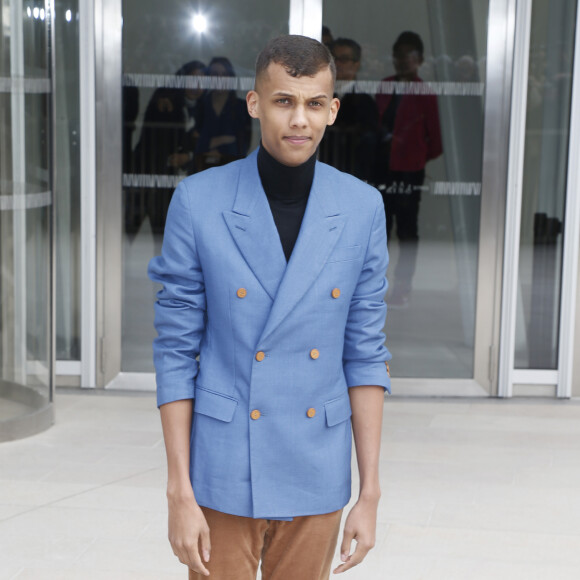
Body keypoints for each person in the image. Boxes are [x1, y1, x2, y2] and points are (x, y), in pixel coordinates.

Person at [148, 34, 391, 580]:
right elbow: (175, 353)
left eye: (312, 103)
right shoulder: (199, 200)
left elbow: (366, 353)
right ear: (255, 104)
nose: (298, 120)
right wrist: (178, 490)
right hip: (224, 463)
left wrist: (370, 490)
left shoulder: (361, 208)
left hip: (317, 462)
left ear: (332, 110)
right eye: (283, 101)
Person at [374, 31, 442, 307]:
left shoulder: (425, 92)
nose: (403, 60)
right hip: (382, 168)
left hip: (408, 170)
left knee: (406, 229)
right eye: (399, 55)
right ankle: (376, 285)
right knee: (380, 229)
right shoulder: (385, 85)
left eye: (409, 56)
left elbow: (436, 140)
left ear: (420, 60)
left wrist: (415, 159)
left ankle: (402, 285)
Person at [319, 37, 378, 181]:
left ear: (356, 64)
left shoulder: (365, 102)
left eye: (344, 59)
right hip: (320, 174)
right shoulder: (317, 98)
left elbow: (369, 148)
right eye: (334, 58)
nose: (337, 64)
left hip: (353, 177)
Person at [194, 57, 252, 171]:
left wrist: (210, 144)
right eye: (215, 74)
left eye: (224, 74)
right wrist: (223, 139)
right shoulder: (200, 105)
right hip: (202, 170)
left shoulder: (241, 107)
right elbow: (194, 143)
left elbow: (242, 146)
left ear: (230, 77)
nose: (219, 78)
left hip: (232, 171)